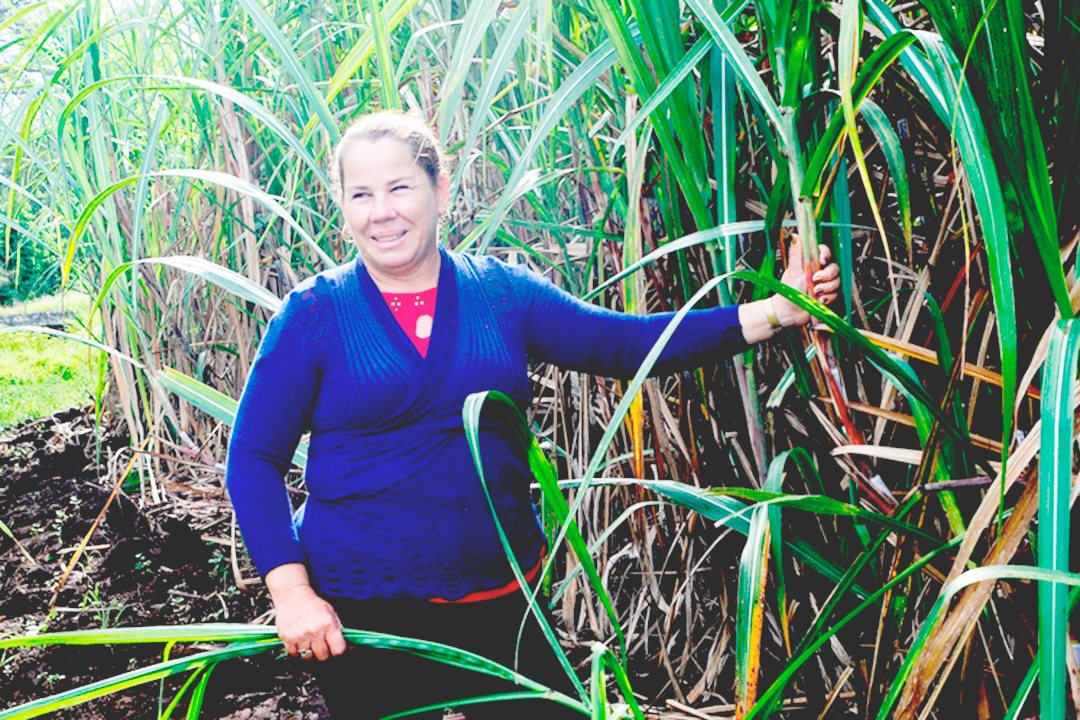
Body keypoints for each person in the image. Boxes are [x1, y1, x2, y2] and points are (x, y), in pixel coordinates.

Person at [225, 111, 840, 719]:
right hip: (368, 611)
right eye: (361, 194)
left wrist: (778, 312)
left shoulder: (501, 293)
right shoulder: (314, 315)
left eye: (399, 187)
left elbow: (626, 346)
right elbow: (253, 459)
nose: (380, 211)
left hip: (502, 594)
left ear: (441, 190)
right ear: (344, 206)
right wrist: (291, 591)